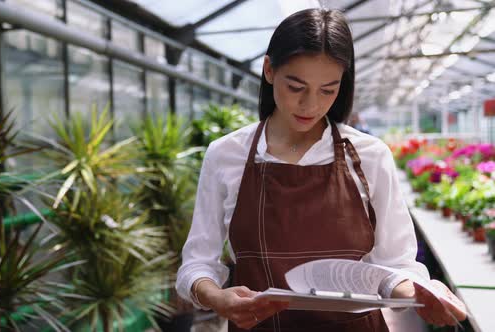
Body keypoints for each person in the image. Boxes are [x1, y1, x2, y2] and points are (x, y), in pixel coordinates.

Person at [175, 8, 466, 332]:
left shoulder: (370, 156)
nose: (310, 104)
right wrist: (216, 297)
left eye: (328, 90)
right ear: (269, 70)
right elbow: (197, 262)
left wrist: (421, 292)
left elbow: (395, 265)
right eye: (296, 87)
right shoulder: (227, 155)